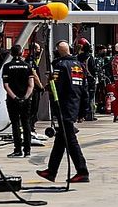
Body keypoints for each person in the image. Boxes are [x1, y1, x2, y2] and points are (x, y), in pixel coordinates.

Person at [37, 42, 90, 183]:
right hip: (74, 106)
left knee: (71, 141)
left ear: (58, 52)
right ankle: (51, 171)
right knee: (61, 140)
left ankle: (82, 171)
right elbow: (85, 89)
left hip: (64, 107)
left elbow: (56, 87)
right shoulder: (80, 66)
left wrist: (48, 84)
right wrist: (84, 110)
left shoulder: (60, 66)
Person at [2, 44, 34, 157]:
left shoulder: (6, 67)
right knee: (26, 123)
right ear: (22, 52)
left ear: (11, 53)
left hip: (12, 100)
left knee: (15, 124)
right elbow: (31, 85)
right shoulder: (27, 66)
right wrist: (25, 97)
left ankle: (17, 150)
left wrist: (15, 98)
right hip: (26, 99)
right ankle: (27, 151)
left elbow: (6, 86)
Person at [75, 38, 97, 122]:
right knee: (89, 98)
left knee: (80, 98)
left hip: (79, 80)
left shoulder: (76, 57)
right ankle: (88, 114)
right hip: (89, 80)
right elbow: (93, 69)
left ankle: (80, 115)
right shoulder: (89, 57)